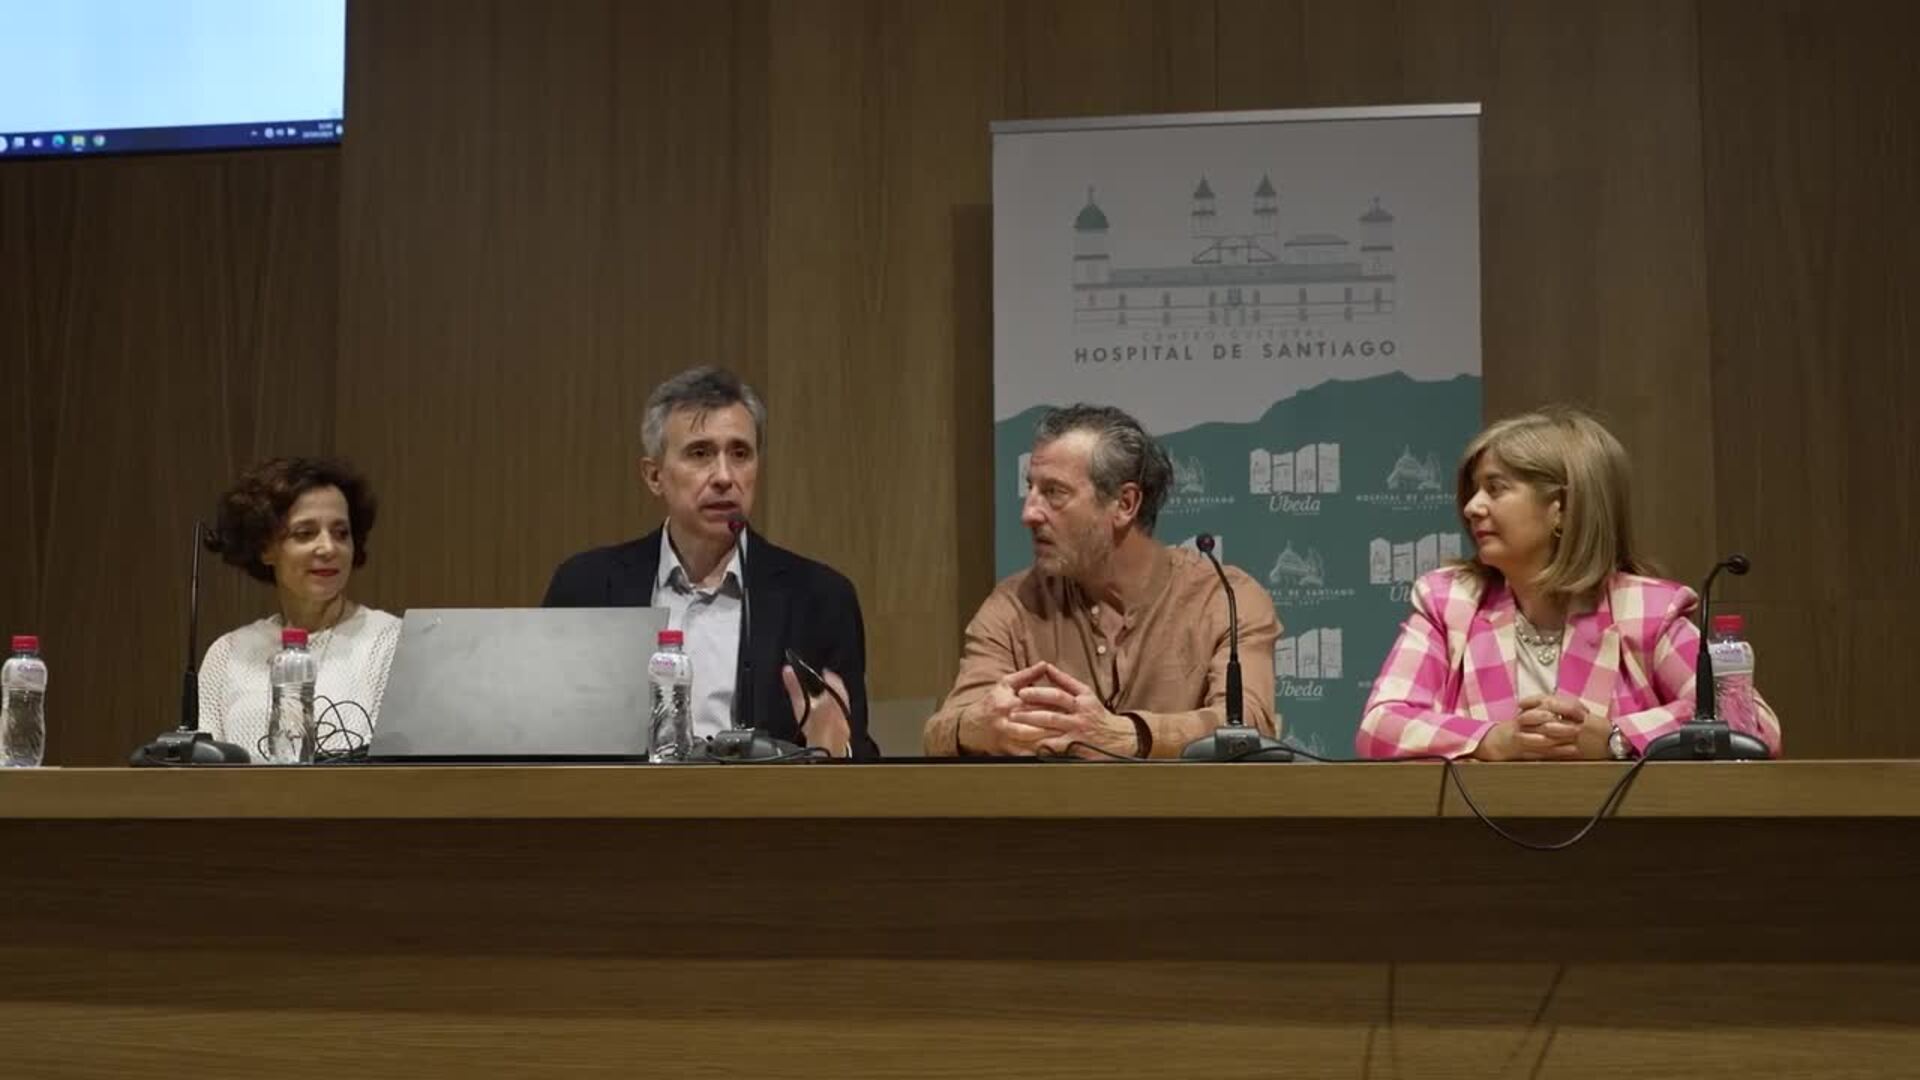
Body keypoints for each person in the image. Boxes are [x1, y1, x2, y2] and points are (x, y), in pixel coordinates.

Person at [1358, 406, 1782, 760]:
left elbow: (1751, 725)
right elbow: (1380, 725)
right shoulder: (1450, 602)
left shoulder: (1646, 610)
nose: (1472, 507)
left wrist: (1615, 739)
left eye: (1495, 489)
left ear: (1561, 507)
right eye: (1473, 491)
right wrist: (1493, 740)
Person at [543, 366, 874, 758]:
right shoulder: (587, 588)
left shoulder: (818, 598)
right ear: (654, 476)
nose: (724, 477)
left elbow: (859, 755)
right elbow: (543, 743)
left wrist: (836, 749)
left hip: (761, 798)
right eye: (700, 453)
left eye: (740, 454)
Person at [923, 404, 1280, 758]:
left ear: (1125, 504)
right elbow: (942, 731)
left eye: (1054, 492)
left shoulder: (1225, 598)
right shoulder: (1014, 604)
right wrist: (979, 727)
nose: (1028, 513)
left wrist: (1128, 736)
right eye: (1030, 488)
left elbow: (1249, 726)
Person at [199, 456, 402, 759]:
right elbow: (202, 774)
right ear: (265, 548)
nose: (329, 548)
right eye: (305, 533)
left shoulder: (392, 641)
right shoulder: (227, 654)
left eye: (341, 533)